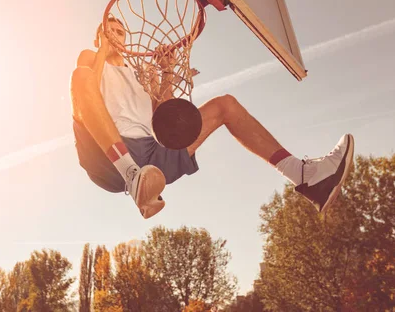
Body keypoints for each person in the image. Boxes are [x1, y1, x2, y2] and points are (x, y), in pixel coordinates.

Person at [70, 17, 355, 219]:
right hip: (105, 155)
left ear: (126, 40)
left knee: (225, 106)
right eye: (109, 30)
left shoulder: (141, 75)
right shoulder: (91, 58)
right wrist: (101, 53)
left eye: (120, 32)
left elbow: (164, 122)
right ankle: (131, 175)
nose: (115, 35)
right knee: (81, 75)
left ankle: (304, 175)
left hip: (151, 161)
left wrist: (167, 72)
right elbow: (85, 90)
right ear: (98, 37)